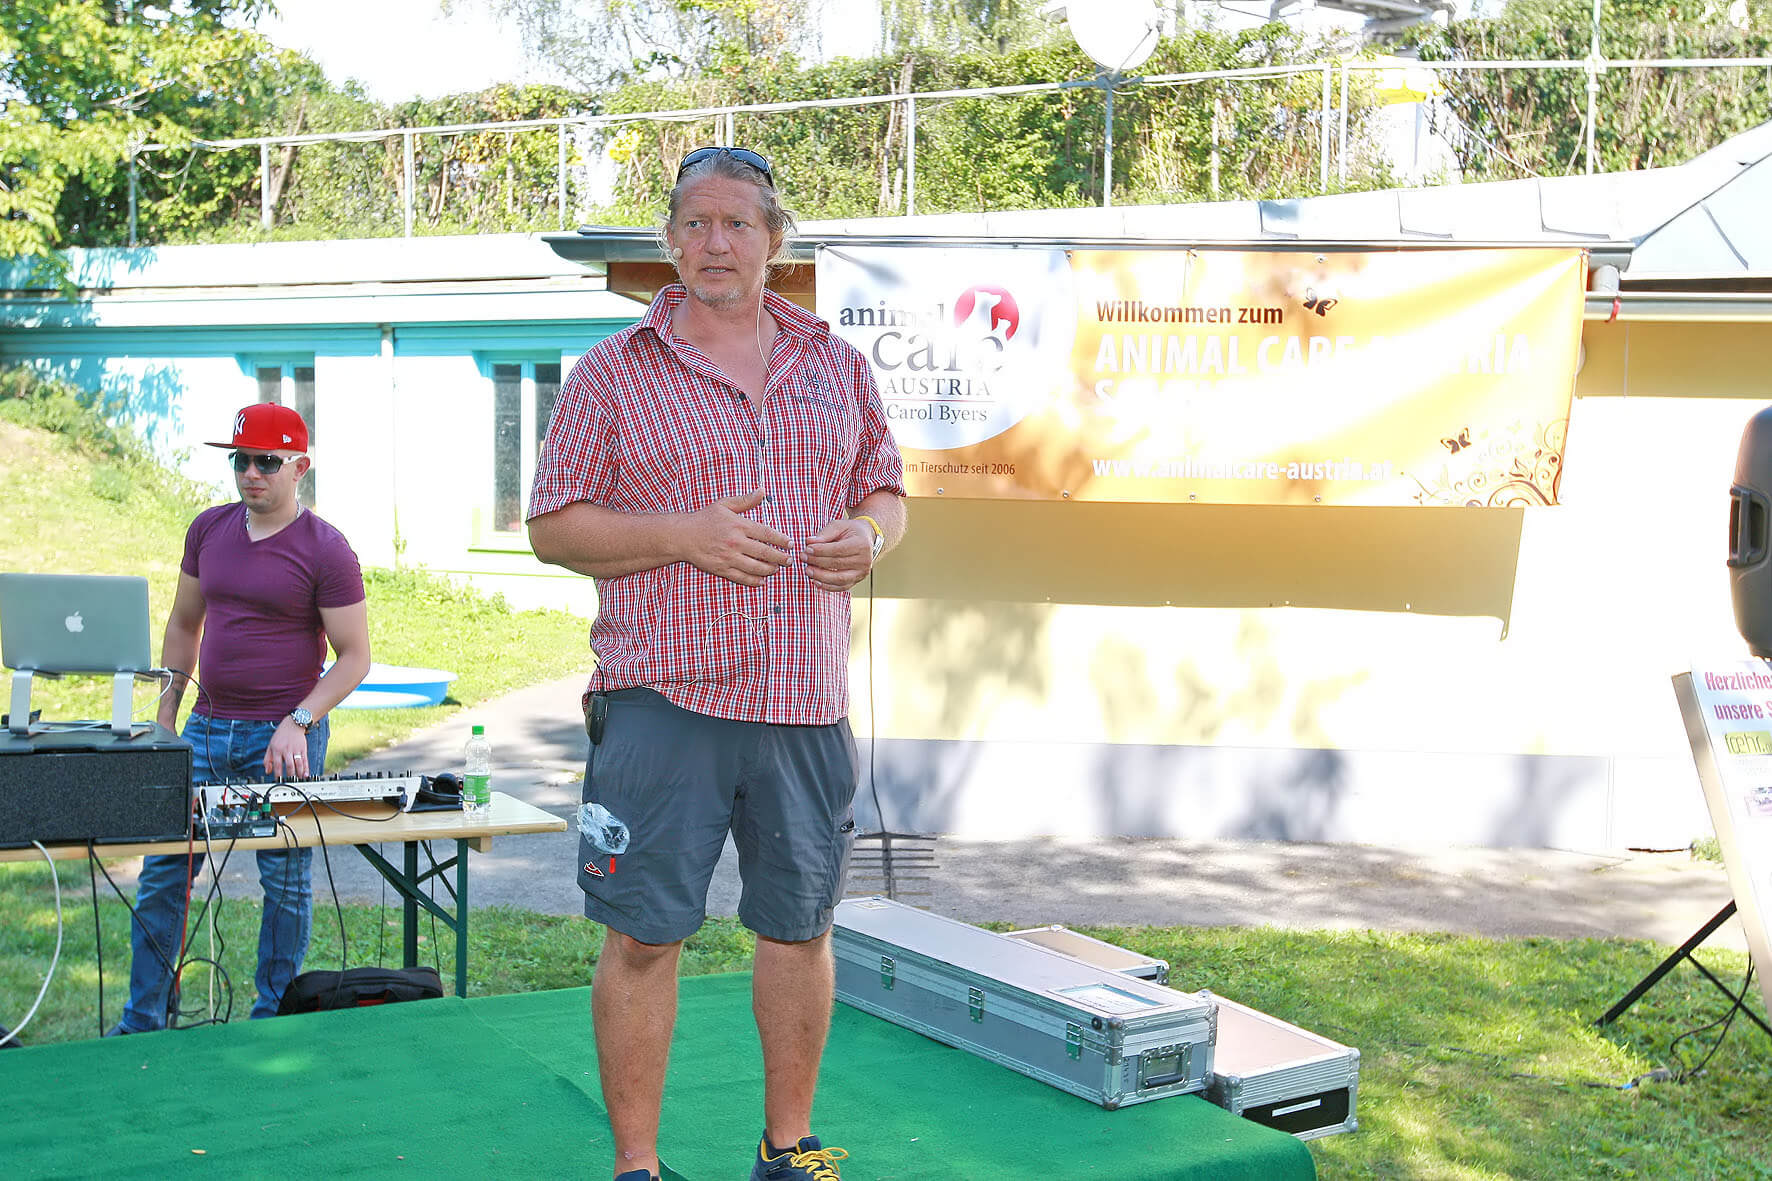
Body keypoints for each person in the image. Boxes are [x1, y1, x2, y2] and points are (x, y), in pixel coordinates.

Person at [528, 146, 906, 1181]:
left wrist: (871, 535)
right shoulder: (613, 373)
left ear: (773, 240)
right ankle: (637, 1166)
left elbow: (885, 487)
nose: (715, 243)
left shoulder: (835, 364)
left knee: (799, 929)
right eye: (695, 223)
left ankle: (788, 1148)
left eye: (738, 223)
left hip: (803, 699)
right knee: (644, 937)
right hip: (664, 696)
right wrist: (682, 533)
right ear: (669, 241)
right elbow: (553, 527)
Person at [111, 403, 370, 1034]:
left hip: (282, 738)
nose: (251, 473)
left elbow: (355, 657)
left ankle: (271, 1021)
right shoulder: (208, 529)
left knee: (283, 881)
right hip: (204, 729)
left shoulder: (327, 549)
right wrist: (166, 716)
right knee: (165, 870)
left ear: (299, 467)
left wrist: (299, 720)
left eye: (267, 462)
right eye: (241, 460)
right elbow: (184, 624)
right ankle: (143, 1019)